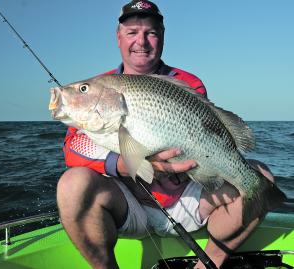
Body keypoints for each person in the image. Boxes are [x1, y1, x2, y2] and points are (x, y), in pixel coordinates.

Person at [56, 1, 275, 268]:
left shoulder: (187, 83)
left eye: (151, 32)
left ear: (162, 36)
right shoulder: (102, 85)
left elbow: (206, 138)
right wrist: (123, 165)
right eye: (132, 32)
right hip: (129, 204)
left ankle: (209, 263)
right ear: (118, 37)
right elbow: (72, 149)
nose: (142, 41)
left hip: (189, 200)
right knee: (71, 185)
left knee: (259, 179)